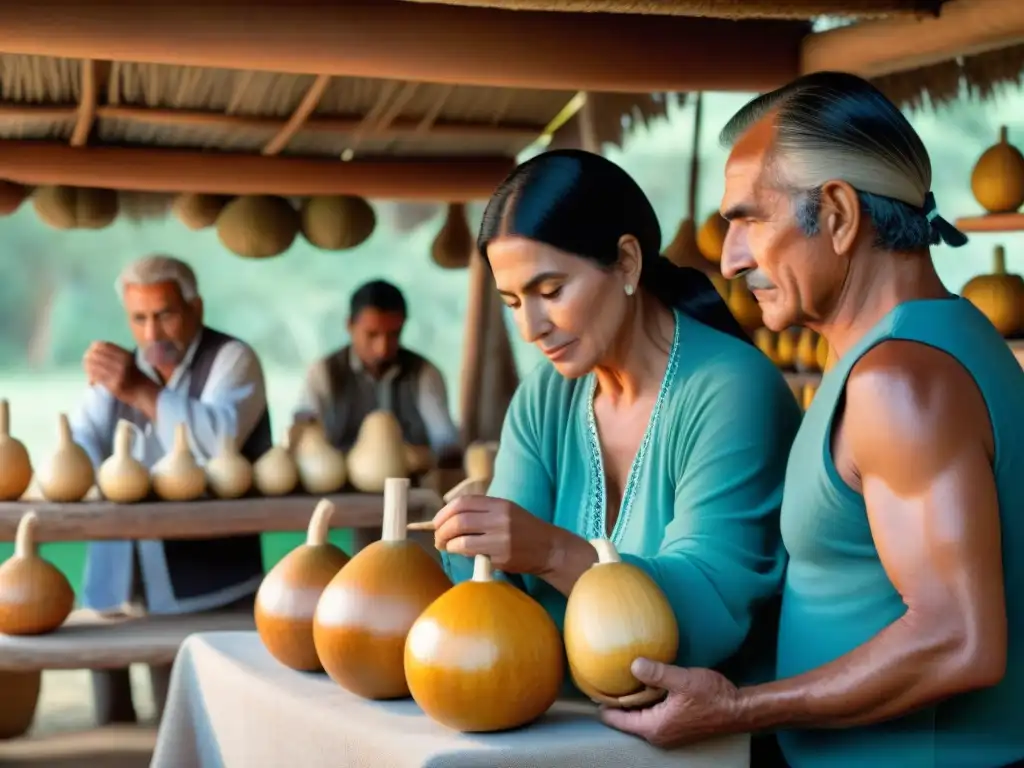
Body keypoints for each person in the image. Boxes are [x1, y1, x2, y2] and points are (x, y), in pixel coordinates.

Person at [601, 72, 1024, 768]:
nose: (730, 259)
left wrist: (739, 711)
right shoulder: (912, 347)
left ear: (837, 214)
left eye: (747, 220)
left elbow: (959, 640)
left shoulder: (901, 384)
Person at [424, 150, 803, 726]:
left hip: (717, 740)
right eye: (512, 302)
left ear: (626, 263)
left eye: (550, 290)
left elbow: (712, 608)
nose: (531, 328)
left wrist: (548, 551)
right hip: (557, 728)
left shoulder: (732, 389)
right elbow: (493, 595)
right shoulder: (544, 400)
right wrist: (474, 538)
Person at [70, 254, 272, 725]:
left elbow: (220, 442)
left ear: (196, 308)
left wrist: (139, 389)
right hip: (120, 573)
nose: (152, 334)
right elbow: (82, 441)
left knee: (186, 714)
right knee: (110, 710)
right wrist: (86, 464)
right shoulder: (120, 369)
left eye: (165, 314)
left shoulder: (232, 359)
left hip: (211, 578)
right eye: (139, 319)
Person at [293, 279, 461, 466]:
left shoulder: (424, 373)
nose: (382, 348)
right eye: (372, 334)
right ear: (350, 325)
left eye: (393, 335)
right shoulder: (324, 372)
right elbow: (305, 437)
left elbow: (445, 441)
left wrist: (421, 456)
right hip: (340, 486)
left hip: (410, 485)